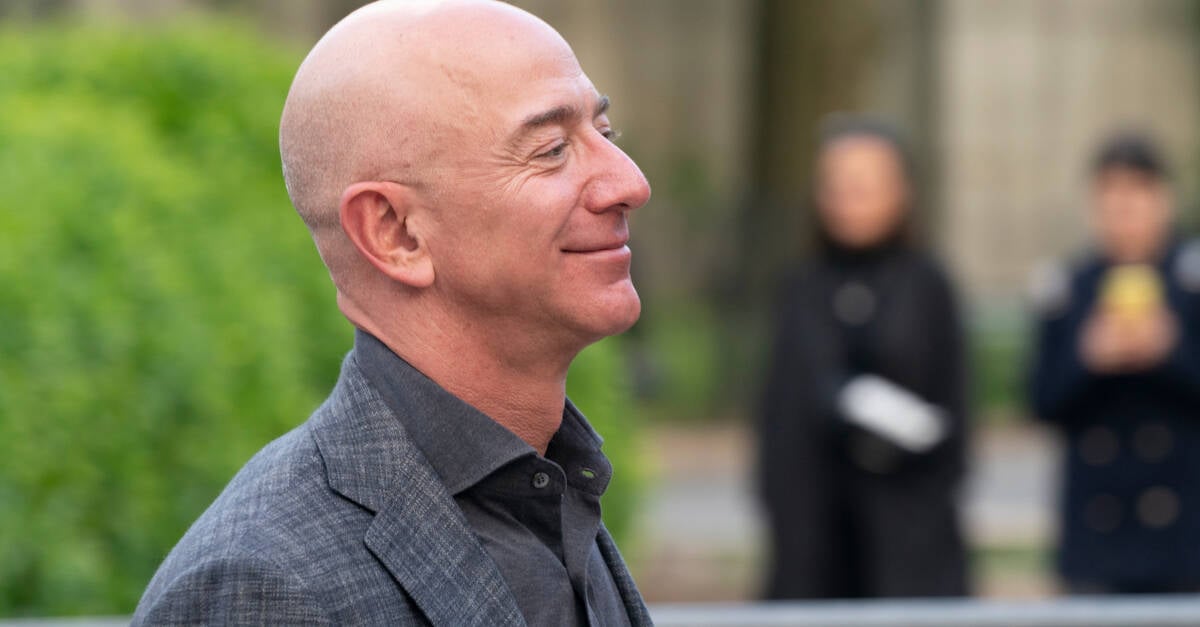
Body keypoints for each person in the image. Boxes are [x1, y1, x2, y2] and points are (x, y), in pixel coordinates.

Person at [132, 1, 653, 624]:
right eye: (551, 149)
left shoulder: (544, 484)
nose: (630, 183)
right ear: (394, 232)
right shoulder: (262, 587)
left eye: (604, 134)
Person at [757, 117, 970, 599]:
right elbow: (781, 413)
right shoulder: (801, 287)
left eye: (865, 184)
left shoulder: (927, 286)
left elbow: (952, 421)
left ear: (902, 190)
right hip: (814, 547)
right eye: (836, 184)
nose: (847, 198)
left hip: (908, 546)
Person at [1028, 132, 1200, 594]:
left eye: (1137, 192)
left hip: (1184, 533)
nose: (1124, 209)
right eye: (1111, 193)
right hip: (1097, 534)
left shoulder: (1190, 283)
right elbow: (1041, 401)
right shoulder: (1069, 287)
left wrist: (1172, 352)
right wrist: (1087, 358)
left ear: (1164, 198)